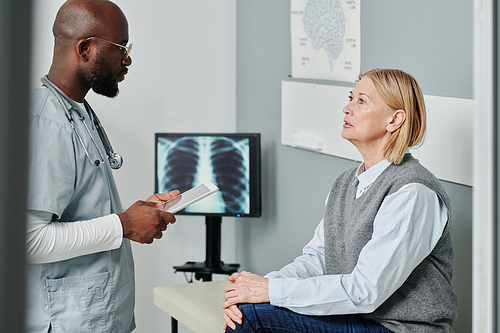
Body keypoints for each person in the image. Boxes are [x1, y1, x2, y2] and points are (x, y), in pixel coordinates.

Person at [222, 68, 458, 333]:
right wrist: (254, 288)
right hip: (358, 320)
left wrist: (269, 291)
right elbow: (317, 259)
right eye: (350, 98)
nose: (347, 108)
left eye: (361, 101)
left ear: (394, 120)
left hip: (398, 329)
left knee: (253, 316)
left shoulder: (413, 192)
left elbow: (365, 291)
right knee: (246, 309)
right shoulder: (346, 183)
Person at [25, 1, 178, 332]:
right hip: (67, 321)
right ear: (85, 49)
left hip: (97, 317)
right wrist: (123, 225)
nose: (128, 59)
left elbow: (84, 211)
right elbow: (28, 239)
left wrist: (138, 214)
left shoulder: (75, 112)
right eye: (121, 48)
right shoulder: (46, 121)